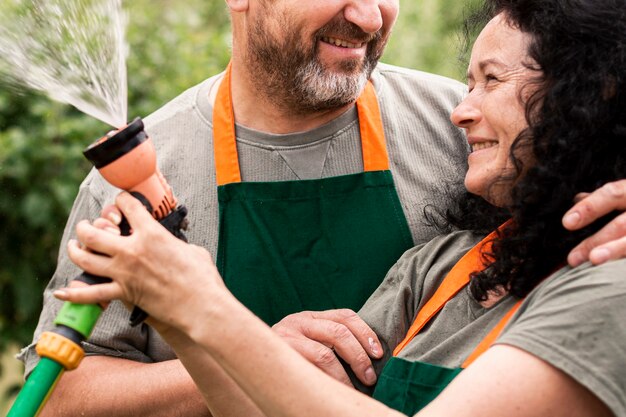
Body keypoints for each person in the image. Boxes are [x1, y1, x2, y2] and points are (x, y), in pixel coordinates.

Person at [21, 0, 626, 415]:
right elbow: (55, 395)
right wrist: (230, 343)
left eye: (487, 82)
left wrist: (204, 314)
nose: (366, 16)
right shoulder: (141, 170)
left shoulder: (463, 135)